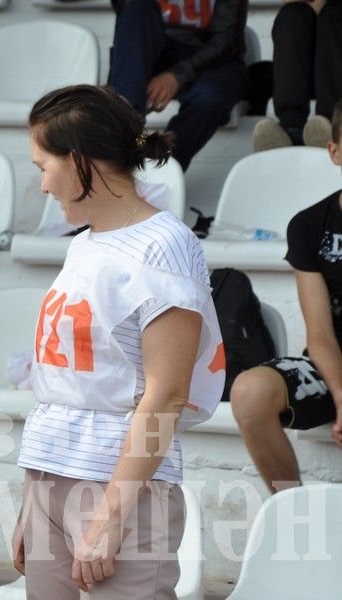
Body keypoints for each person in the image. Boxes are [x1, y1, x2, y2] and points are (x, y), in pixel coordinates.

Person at [12, 85, 225, 598]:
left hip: (120, 487)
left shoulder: (165, 246)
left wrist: (111, 515)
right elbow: (64, 385)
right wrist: (33, 500)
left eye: (45, 166)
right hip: (53, 477)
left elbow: (166, 394)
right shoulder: (84, 244)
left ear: (81, 161)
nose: (42, 185)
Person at [231, 99, 342, 494]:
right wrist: (341, 396)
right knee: (249, 391)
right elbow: (320, 333)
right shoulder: (311, 225)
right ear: (334, 151)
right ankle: (291, 515)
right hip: (332, 367)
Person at [107, 0, 249, 171]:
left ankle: (158, 169)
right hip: (155, 51)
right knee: (138, 8)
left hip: (211, 59)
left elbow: (227, 39)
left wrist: (178, 75)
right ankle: (124, 140)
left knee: (212, 97)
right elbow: (128, 21)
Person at [251, 0, 342, 151]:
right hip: (318, 67)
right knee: (292, 15)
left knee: (333, 15)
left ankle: (332, 129)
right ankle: (291, 131)